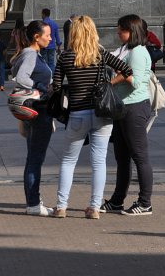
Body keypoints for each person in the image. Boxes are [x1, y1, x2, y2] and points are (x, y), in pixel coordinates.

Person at [51, 15, 133, 219]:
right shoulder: (100, 54)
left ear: (73, 33)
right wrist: (108, 84)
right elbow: (127, 70)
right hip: (102, 113)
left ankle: (61, 206)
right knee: (98, 162)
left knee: (68, 160)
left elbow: (57, 86)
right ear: (92, 32)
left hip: (77, 114)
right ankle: (95, 207)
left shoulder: (65, 57)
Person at [102, 14, 154, 216]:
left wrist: (118, 75)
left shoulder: (138, 52)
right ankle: (117, 201)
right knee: (122, 157)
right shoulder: (125, 49)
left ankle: (145, 202)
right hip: (122, 107)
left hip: (135, 107)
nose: (118, 32)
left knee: (140, 156)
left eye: (121, 29)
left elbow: (137, 82)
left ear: (132, 31)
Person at [11, 20, 54, 216]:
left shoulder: (31, 53)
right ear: (37, 37)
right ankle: (34, 204)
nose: (50, 38)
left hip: (35, 110)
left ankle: (33, 201)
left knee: (33, 157)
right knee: (36, 158)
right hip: (38, 110)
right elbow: (21, 78)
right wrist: (41, 86)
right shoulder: (30, 54)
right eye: (47, 35)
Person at [41, 8, 62, 74]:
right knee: (51, 63)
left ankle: (46, 76)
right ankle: (52, 77)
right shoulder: (54, 24)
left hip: (44, 46)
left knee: (44, 63)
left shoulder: (42, 24)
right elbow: (57, 37)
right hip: (52, 46)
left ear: (43, 14)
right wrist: (59, 46)